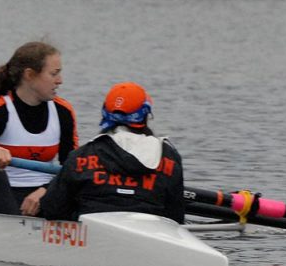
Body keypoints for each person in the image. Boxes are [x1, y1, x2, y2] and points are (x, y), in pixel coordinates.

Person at [0, 41, 78, 215]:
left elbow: (72, 166)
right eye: (54, 74)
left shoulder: (63, 111)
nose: (60, 81)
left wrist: (45, 190)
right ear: (30, 75)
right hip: (2, 195)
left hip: (42, 196)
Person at [39, 82, 185, 223]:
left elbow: (53, 209)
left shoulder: (81, 156)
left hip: (93, 237)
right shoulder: (169, 157)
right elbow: (175, 217)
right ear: (145, 116)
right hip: (152, 235)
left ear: (105, 114)